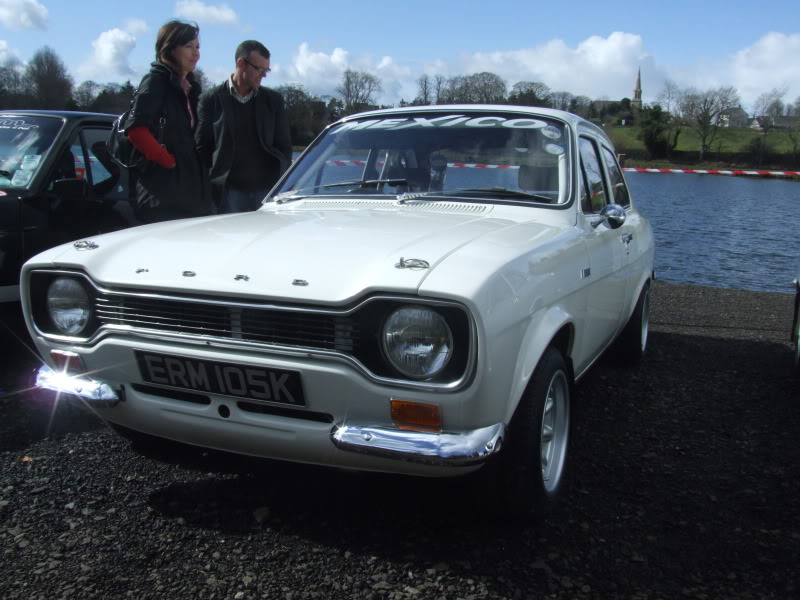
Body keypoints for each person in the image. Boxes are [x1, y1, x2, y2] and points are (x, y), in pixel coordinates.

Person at [123, 20, 212, 222]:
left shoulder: (190, 88)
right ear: (169, 48)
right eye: (188, 46)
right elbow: (136, 131)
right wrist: (169, 163)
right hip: (162, 199)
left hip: (190, 197)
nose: (196, 53)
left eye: (197, 47)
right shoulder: (156, 81)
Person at [195, 40, 292, 213]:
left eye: (266, 70)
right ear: (241, 63)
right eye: (259, 69)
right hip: (227, 193)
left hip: (266, 192)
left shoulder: (273, 100)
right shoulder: (210, 99)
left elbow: (284, 146)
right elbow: (202, 147)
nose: (264, 75)